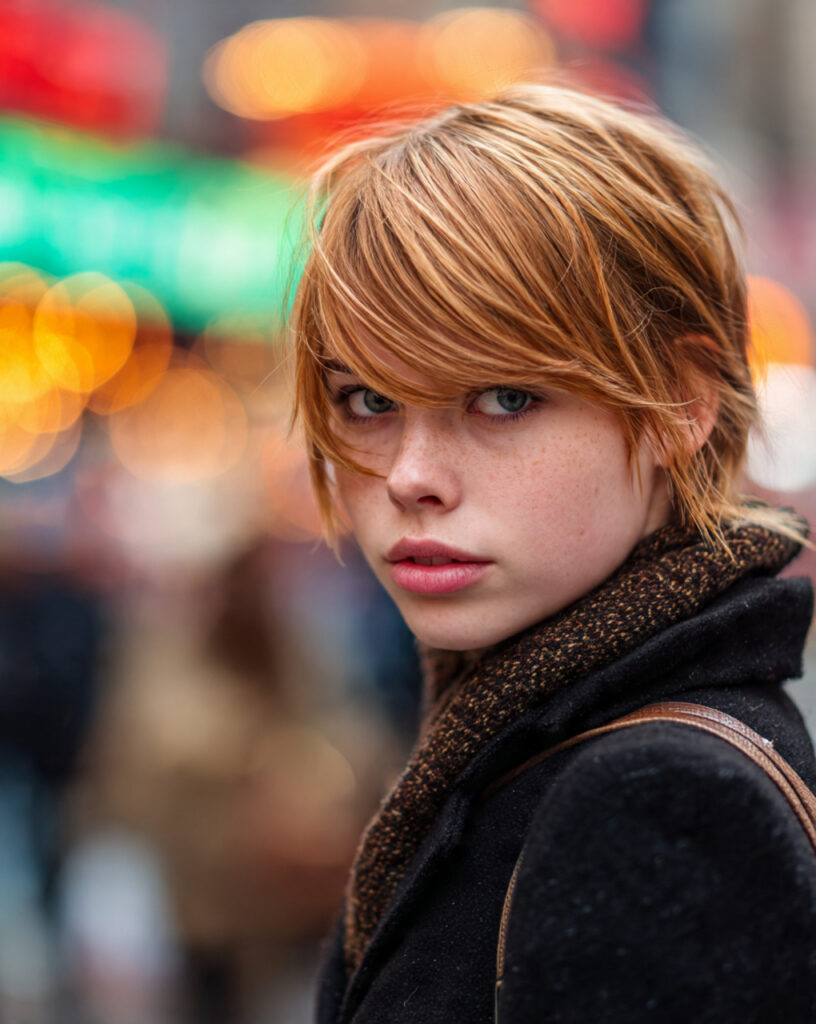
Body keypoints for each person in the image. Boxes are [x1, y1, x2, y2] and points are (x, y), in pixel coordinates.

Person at [289, 81, 816, 1022]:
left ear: (681, 403)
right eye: (367, 399)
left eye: (502, 397)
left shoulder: (655, 799)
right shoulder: (532, 735)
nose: (411, 475)